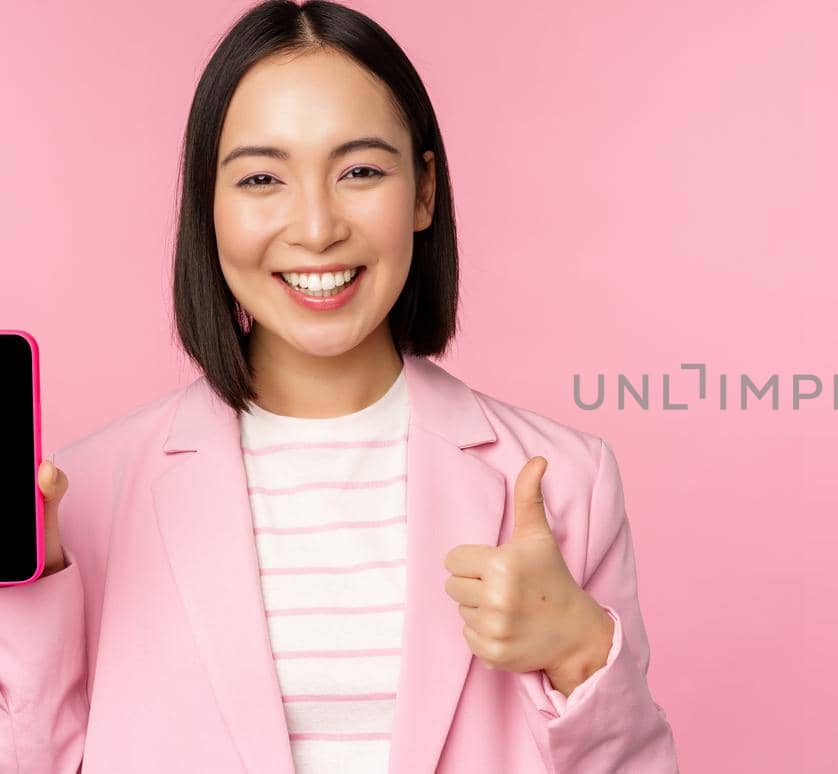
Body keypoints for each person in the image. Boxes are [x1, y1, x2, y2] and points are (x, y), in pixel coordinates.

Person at [0, 2, 681, 771]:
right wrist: (32, 600)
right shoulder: (86, 497)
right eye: (262, 178)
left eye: (360, 171)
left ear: (424, 191)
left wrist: (582, 651)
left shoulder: (566, 481)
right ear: (209, 208)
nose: (317, 227)